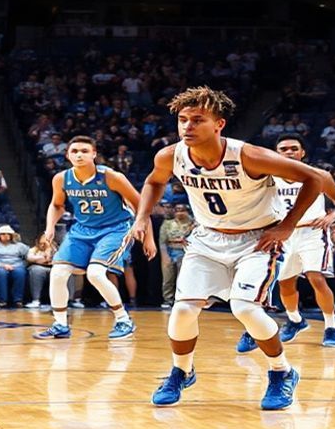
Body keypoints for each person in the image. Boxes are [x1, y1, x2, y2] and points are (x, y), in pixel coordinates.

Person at [131, 86, 323, 410]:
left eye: (197, 120)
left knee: (245, 308)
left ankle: (282, 372)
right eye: (182, 120)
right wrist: (141, 217)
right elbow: (153, 181)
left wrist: (287, 225)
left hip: (257, 239)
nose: (187, 127)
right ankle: (182, 371)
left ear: (219, 124)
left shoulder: (249, 155)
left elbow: (313, 179)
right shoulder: (170, 155)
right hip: (207, 238)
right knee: (181, 311)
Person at [33, 135, 156, 340]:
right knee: (58, 272)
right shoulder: (61, 178)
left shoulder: (111, 177)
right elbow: (56, 205)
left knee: (95, 273)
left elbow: (140, 206)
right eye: (74, 151)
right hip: (82, 230)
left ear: (94, 154)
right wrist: (50, 228)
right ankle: (60, 324)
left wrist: (149, 238)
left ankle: (123, 319)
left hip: (115, 229)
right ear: (67, 155)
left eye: (84, 151)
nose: (79, 155)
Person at [268, 134, 335, 348]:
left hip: (312, 233)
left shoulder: (319, 175)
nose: (289, 152)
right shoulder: (268, 178)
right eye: (283, 149)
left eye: (293, 148)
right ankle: (295, 320)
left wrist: (331, 217)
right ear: (277, 153)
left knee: (316, 277)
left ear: (302, 152)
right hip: (284, 235)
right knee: (285, 283)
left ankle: (331, 327)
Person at [159, 204, 195, 309]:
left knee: (182, 277)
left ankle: (181, 299)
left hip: (185, 251)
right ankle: (168, 299)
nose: (180, 212)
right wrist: (164, 255)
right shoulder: (167, 224)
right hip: (170, 249)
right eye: (177, 210)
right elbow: (162, 241)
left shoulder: (192, 224)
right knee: (168, 277)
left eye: (182, 210)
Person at [0, 224, 29, 308]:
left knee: (20, 273)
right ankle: (2, 300)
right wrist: (1, 265)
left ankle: (18, 300)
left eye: (7, 234)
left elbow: (28, 256)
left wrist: (22, 265)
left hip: (17, 265)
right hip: (0, 265)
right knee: (0, 273)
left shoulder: (20, 245)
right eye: (3, 234)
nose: (5, 236)